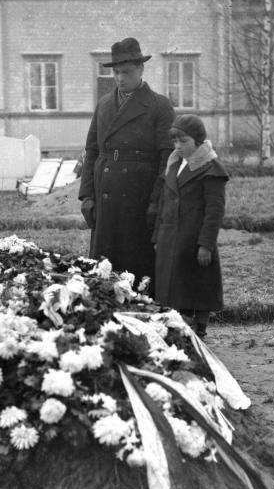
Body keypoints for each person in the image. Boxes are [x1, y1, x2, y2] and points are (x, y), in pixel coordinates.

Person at [78, 37, 175, 286]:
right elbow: (92, 151)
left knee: (138, 274)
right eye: (116, 72)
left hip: (139, 198)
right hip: (106, 197)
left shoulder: (159, 106)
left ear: (141, 69)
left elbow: (167, 158)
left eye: (127, 72)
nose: (120, 78)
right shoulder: (103, 105)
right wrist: (87, 196)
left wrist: (156, 202)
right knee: (105, 273)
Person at [152, 114, 230, 338]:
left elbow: (214, 211)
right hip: (170, 237)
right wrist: (157, 237)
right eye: (175, 141)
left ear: (198, 141)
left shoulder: (211, 169)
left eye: (184, 141)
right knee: (174, 286)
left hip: (193, 240)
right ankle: (178, 324)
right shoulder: (174, 164)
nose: (178, 146)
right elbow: (163, 204)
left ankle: (199, 326)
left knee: (197, 286)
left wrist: (206, 244)